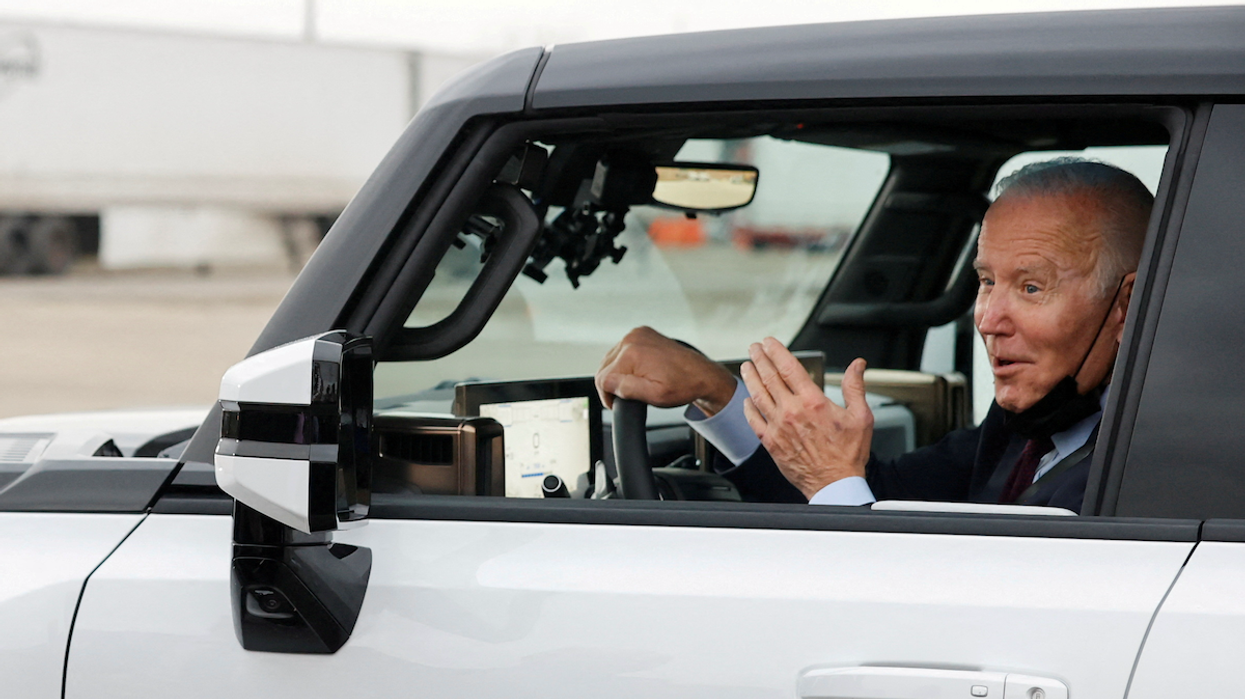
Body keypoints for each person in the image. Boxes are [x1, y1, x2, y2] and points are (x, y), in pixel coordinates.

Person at [595, 158, 1153, 512]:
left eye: (1031, 287)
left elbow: (944, 623)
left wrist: (832, 482)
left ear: (1126, 305)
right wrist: (716, 392)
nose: (987, 319)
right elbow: (881, 494)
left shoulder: (1145, 469)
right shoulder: (1030, 426)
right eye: (986, 281)